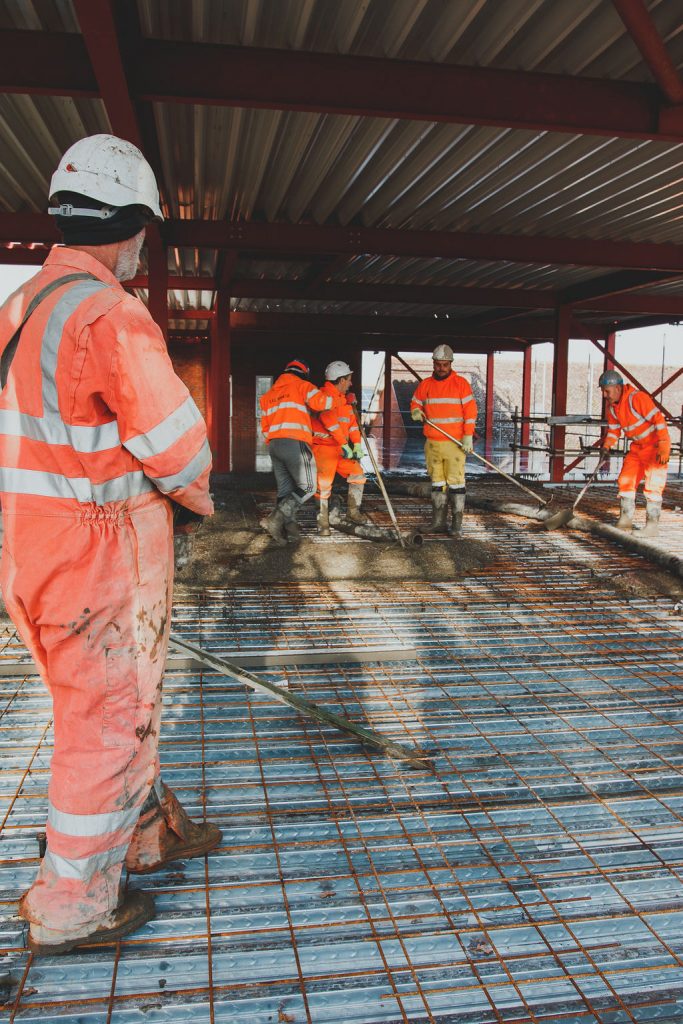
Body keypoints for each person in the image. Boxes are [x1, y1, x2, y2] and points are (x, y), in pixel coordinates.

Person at [0, 134, 221, 955]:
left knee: (100, 706)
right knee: (105, 718)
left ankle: (143, 836)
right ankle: (71, 906)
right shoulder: (108, 314)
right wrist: (197, 501)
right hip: (95, 552)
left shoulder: (21, 308)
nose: (139, 251)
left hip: (30, 551)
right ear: (129, 225)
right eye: (142, 235)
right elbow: (178, 449)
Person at [259, 359, 342, 545]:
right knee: (308, 486)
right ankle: (275, 519)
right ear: (304, 373)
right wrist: (342, 398)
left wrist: (275, 439)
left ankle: (286, 532)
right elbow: (323, 403)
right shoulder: (302, 385)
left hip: (274, 445)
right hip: (295, 442)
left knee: (285, 490)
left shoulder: (269, 395)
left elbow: (264, 427)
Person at [409, 344, 477, 537]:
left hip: (454, 443)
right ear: (434, 363)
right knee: (437, 483)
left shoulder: (460, 384)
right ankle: (438, 522)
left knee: (456, 484)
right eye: (438, 364)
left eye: (444, 365)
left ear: (450, 364)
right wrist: (416, 410)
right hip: (432, 443)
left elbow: (470, 412)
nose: (441, 368)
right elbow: (416, 402)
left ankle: (456, 526)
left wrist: (468, 435)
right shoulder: (426, 385)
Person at [598, 369, 670, 538]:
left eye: (606, 391)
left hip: (654, 448)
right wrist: (606, 446)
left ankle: (652, 527)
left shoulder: (637, 398)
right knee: (626, 480)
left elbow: (658, 420)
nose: (604, 395)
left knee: (653, 485)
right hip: (637, 447)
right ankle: (625, 520)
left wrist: (664, 445)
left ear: (617, 388)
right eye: (602, 390)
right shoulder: (613, 408)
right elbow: (614, 431)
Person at [311, 360, 367, 535]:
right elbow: (330, 423)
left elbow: (351, 424)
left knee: (357, 474)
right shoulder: (323, 396)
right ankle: (323, 524)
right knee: (324, 486)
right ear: (341, 379)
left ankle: (353, 513)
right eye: (349, 379)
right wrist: (344, 444)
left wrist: (356, 443)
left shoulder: (343, 400)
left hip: (341, 449)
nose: (351, 383)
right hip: (324, 448)